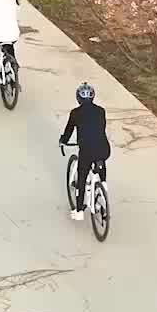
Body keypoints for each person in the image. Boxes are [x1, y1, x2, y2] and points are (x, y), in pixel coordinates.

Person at [60, 83, 112, 221]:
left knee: (82, 178)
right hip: (104, 148)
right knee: (100, 159)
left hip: (87, 150)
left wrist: (63, 141)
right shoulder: (101, 111)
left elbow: (69, 130)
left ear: (78, 98)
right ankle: (103, 185)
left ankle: (78, 211)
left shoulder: (75, 113)